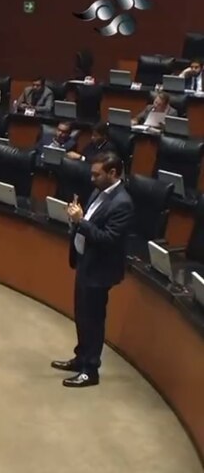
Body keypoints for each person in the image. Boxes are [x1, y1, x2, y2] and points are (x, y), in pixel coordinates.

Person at [55, 152, 134, 387]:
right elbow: (89, 220)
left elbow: (108, 239)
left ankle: (91, 370)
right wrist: (75, 219)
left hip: (100, 271)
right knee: (81, 315)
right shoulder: (99, 191)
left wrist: (81, 222)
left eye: (97, 174)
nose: (92, 178)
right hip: (85, 263)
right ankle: (81, 358)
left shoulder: (123, 203)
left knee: (93, 320)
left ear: (113, 173)